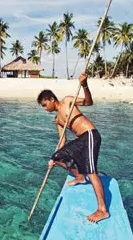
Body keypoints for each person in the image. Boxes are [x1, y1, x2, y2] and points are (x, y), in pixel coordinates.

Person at [37, 72, 110, 223]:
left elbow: (89, 102)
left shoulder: (67, 101)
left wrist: (84, 85)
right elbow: (62, 140)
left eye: (45, 105)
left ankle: (102, 210)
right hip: (81, 140)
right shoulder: (57, 120)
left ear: (52, 99)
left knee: (92, 171)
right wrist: (53, 158)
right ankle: (79, 176)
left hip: (90, 135)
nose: (45, 108)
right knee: (58, 156)